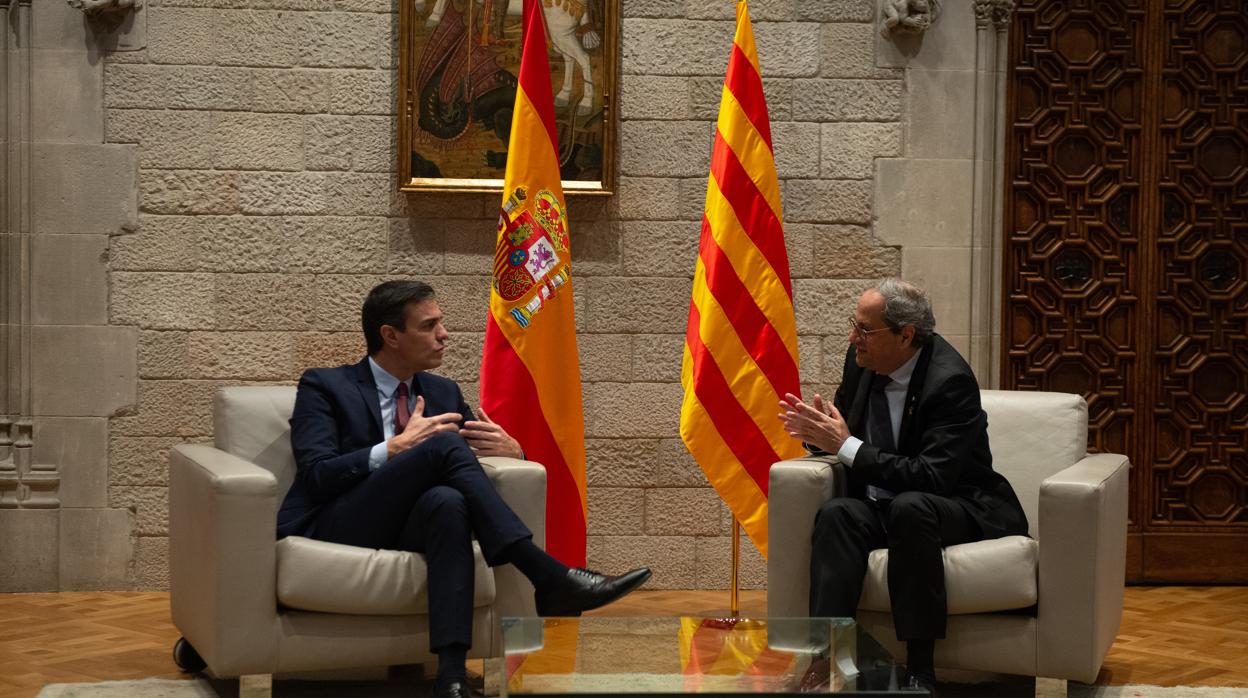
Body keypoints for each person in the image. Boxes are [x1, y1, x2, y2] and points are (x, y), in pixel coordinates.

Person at [277, 280, 651, 698]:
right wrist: (392, 448)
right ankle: (546, 573)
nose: (445, 334)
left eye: (442, 323)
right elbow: (316, 474)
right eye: (430, 325)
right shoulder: (325, 386)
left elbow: (465, 475)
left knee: (448, 501)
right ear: (390, 336)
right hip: (339, 521)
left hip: (412, 523)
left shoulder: (442, 392)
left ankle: (451, 677)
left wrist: (515, 451)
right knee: (442, 445)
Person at [779, 278, 1027, 696]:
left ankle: (920, 670)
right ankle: (827, 662)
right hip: (882, 502)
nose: (853, 337)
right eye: (853, 325)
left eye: (864, 330)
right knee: (837, 514)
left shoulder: (950, 381)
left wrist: (845, 445)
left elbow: (932, 476)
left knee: (911, 508)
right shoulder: (861, 361)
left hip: (953, 504)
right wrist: (818, 434)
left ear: (905, 335)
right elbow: (846, 433)